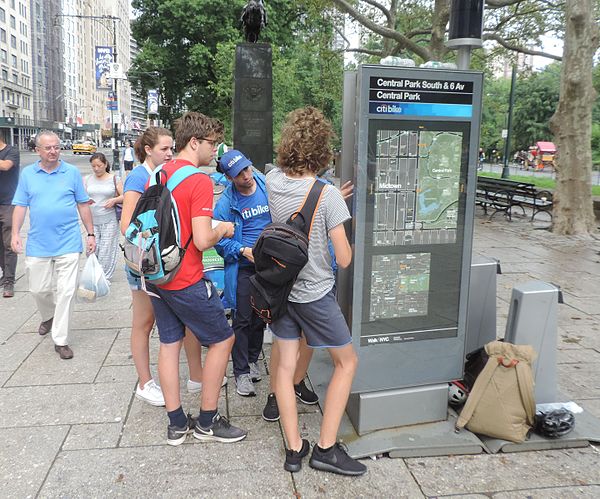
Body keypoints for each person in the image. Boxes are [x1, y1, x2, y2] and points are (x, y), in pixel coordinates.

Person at [266, 107, 366, 476]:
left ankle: (294, 450)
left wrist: (326, 201)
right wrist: (334, 210)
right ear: (324, 151)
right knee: (347, 362)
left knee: (285, 365)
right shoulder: (327, 195)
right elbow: (343, 259)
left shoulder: (272, 179)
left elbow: (295, 205)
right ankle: (325, 448)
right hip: (312, 294)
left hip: (280, 292)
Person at [144, 112, 246, 446]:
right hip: (185, 277)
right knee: (223, 339)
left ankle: (176, 424)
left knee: (170, 343)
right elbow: (202, 240)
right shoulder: (199, 181)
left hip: (156, 274)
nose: (216, 149)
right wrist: (225, 228)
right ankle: (207, 421)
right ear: (194, 143)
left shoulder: (160, 172)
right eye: (212, 143)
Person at [120, 127, 212, 407]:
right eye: (164, 149)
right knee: (144, 322)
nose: (170, 153)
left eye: (172, 148)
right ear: (148, 150)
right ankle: (145, 382)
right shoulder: (139, 177)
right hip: (146, 262)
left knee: (180, 325)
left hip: (163, 262)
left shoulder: (164, 173)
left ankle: (196, 375)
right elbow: (128, 225)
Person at [11, 131, 96, 360]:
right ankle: (48, 314)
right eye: (48, 148)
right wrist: (15, 233)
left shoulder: (71, 172)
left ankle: (61, 340)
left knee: (67, 292)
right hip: (38, 243)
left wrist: (90, 234)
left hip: (68, 242)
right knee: (38, 289)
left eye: (56, 147)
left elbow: (83, 205)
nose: (53, 151)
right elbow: (20, 205)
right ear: (37, 150)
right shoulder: (28, 174)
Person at [214, 150, 271, 397]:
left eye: (247, 169)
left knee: (261, 316)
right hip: (244, 265)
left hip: (268, 263)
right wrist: (243, 250)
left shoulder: (263, 182)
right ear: (228, 177)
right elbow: (218, 242)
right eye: (239, 174)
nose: (246, 176)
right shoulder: (226, 204)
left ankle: (252, 359)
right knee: (243, 318)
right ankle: (240, 372)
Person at [84, 153, 122, 281]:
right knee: (92, 249)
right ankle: (93, 274)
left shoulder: (114, 179)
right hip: (92, 220)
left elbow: (126, 195)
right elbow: (81, 197)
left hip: (109, 219)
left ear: (105, 164)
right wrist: (86, 200)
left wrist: (115, 200)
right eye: (93, 166)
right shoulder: (87, 179)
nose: (96, 169)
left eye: (99, 165)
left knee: (106, 250)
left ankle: (104, 277)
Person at [0, 134, 20, 298]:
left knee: (8, 243)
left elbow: (6, 166)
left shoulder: (11, 151)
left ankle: (9, 281)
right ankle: (4, 273)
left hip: (8, 203)